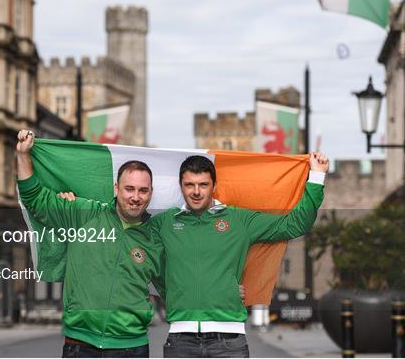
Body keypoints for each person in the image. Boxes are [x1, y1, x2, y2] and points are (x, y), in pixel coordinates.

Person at [148, 153, 329, 358]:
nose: (196, 191)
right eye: (189, 185)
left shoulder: (239, 220)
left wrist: (316, 177)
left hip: (229, 341)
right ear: (181, 186)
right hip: (181, 340)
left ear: (214, 185)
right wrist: (175, 290)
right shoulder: (164, 223)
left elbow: (293, 224)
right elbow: (140, 253)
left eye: (203, 184)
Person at [16, 129, 161, 357]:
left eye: (143, 190)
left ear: (151, 193)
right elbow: (35, 198)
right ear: (116, 188)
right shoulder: (84, 215)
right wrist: (23, 155)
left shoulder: (156, 237)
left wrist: (234, 291)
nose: (135, 197)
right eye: (129, 188)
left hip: (131, 347)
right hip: (79, 343)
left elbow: (184, 279)